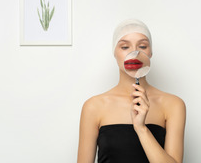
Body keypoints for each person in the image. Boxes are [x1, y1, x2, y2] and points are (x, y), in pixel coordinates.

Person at [77, 19, 186, 163]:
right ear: (114, 53)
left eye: (142, 46)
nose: (134, 53)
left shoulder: (173, 104)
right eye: (124, 47)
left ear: (151, 52)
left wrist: (141, 129)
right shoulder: (93, 106)